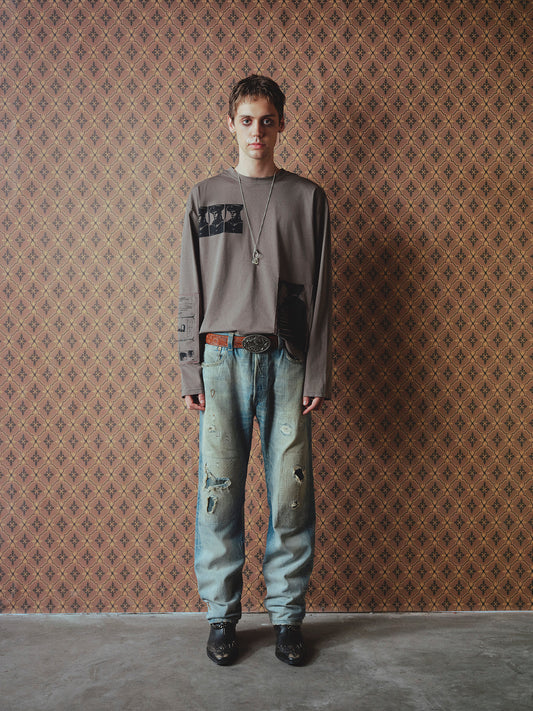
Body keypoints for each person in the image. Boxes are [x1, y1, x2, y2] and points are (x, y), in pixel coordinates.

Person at [178, 75, 331, 666]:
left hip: (288, 360)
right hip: (220, 359)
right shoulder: (203, 196)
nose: (257, 131)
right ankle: (222, 617)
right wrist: (190, 369)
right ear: (231, 125)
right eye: (247, 120)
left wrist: (317, 371)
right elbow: (190, 289)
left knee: (291, 494)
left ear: (281, 124)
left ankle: (287, 618)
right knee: (218, 493)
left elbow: (322, 293)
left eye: (267, 120)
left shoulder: (308, 198)